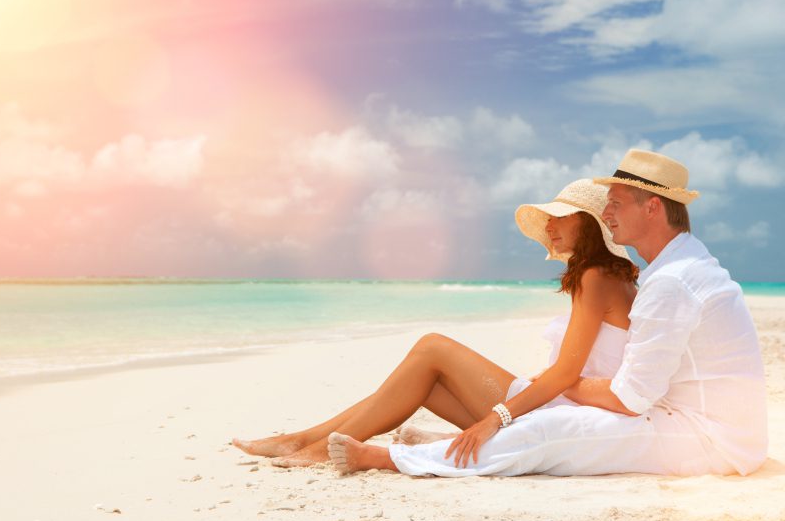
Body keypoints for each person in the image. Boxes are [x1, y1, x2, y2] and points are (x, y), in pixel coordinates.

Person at [328, 149, 767, 477]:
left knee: (549, 430)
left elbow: (628, 399)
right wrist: (557, 383)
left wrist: (562, 381)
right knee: (549, 423)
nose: (607, 213)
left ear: (652, 207)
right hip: (710, 427)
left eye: (615, 204)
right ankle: (418, 447)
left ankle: (388, 458)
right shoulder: (679, 267)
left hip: (708, 438)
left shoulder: (673, 280)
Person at [232, 178, 638, 468]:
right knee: (419, 382)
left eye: (560, 218)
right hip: (564, 402)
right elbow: (580, 365)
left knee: (431, 346)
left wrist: (494, 418)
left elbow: (567, 373)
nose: (549, 226)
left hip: (561, 410)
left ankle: (311, 445)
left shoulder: (595, 277)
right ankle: (302, 440)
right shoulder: (607, 275)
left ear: (587, 224)